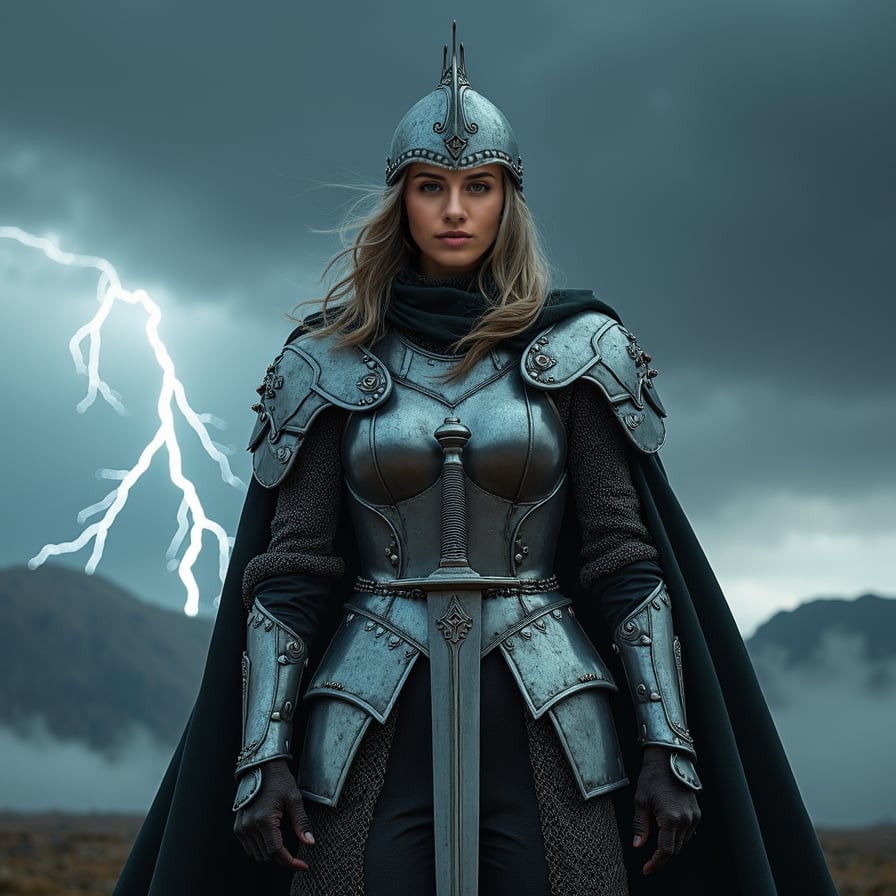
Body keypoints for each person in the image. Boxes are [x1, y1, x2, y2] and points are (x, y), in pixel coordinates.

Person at [114, 24, 837, 896]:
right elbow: (293, 568)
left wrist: (668, 745)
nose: (454, 211)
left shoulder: (578, 350)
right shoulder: (330, 361)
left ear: (508, 200)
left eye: (477, 187)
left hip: (553, 717)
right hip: (365, 721)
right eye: (432, 187)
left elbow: (621, 555)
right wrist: (261, 755)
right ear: (401, 200)